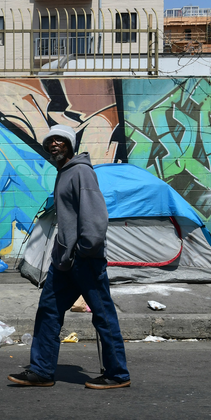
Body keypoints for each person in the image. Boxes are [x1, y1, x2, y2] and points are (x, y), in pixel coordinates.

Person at [8, 124, 131, 389]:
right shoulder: (63, 173)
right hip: (64, 261)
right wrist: (63, 253)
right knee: (48, 311)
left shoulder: (81, 173)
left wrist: (84, 250)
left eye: (60, 141)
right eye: (49, 141)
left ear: (70, 145)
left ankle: (117, 374)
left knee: (103, 315)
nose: (53, 145)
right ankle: (41, 371)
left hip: (85, 259)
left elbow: (96, 217)